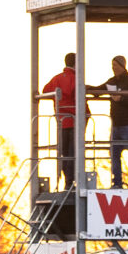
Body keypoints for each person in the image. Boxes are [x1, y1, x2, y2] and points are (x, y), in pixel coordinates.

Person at [94, 55, 128, 189]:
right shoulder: (112, 81)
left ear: (123, 66)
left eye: (115, 65)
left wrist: (121, 99)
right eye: (112, 65)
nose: (113, 68)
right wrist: (83, 87)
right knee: (115, 154)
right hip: (116, 123)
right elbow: (98, 90)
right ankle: (117, 183)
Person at [43, 53, 81, 189]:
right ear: (76, 63)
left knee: (65, 152)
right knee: (75, 152)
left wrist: (59, 100)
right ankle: (75, 181)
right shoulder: (76, 78)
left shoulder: (57, 79)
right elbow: (78, 95)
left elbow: (45, 90)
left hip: (61, 121)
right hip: (75, 120)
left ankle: (67, 182)